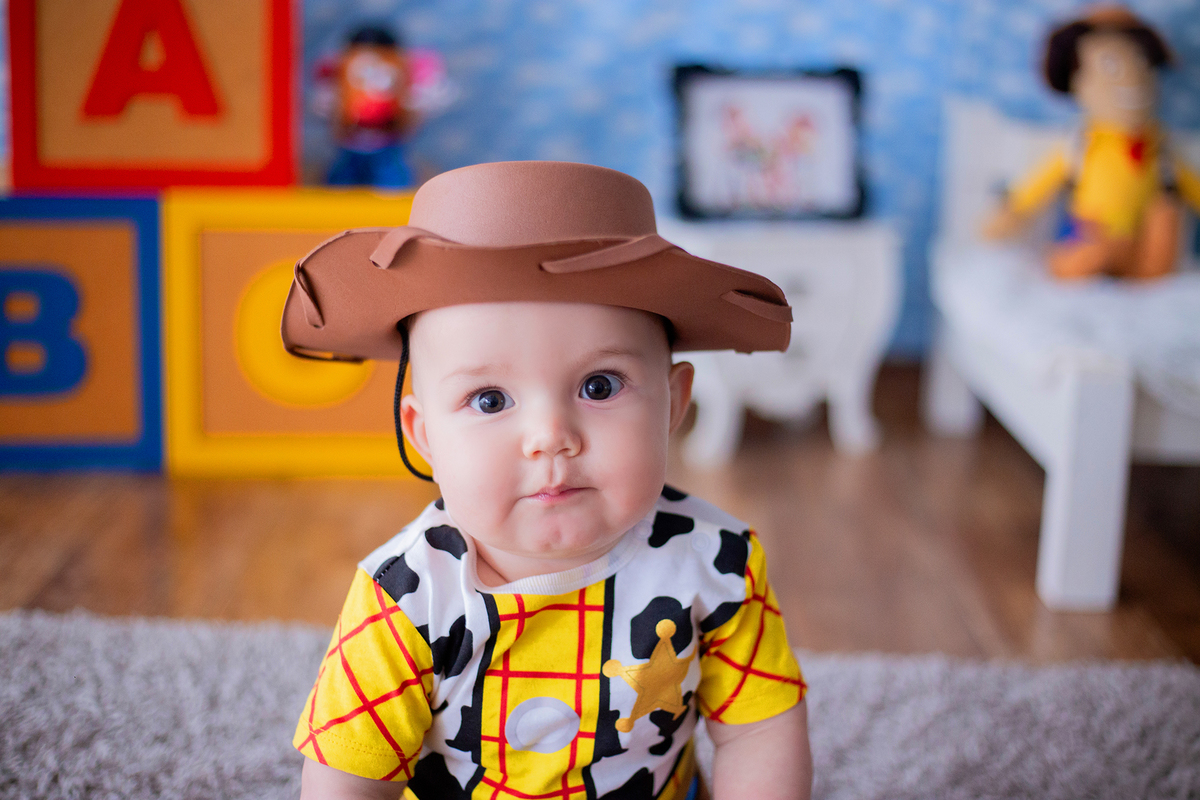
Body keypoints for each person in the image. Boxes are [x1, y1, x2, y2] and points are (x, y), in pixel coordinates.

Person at [283, 161, 812, 800]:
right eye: (489, 399)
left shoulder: (719, 562)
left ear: (673, 404)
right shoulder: (405, 598)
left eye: (599, 386)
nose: (550, 436)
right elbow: (348, 776)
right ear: (424, 435)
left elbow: (758, 730)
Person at [983, 5, 1200, 280]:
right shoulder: (1080, 144)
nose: (1132, 81)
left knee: (1165, 214)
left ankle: (1143, 273)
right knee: (1082, 253)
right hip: (1091, 230)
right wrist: (1011, 212)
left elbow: (1192, 186)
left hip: (1139, 242)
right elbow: (1039, 183)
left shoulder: (1160, 149)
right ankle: (1087, 260)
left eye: (1141, 63)